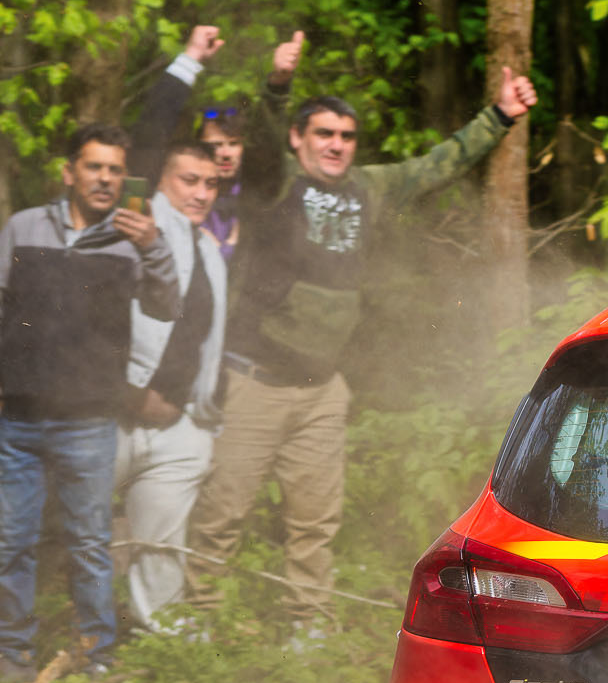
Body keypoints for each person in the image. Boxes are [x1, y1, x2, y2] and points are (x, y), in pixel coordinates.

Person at [183, 42, 540, 634]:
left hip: (322, 388)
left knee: (315, 520)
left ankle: (309, 625)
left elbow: (438, 164)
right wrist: (276, 86)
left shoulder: (369, 186)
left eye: (346, 136)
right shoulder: (276, 181)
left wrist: (500, 115)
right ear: (299, 138)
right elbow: (264, 143)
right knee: (224, 510)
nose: (336, 144)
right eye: (323, 133)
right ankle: (198, 621)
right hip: (256, 381)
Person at [0, 125, 180, 681]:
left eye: (114, 169)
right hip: (18, 418)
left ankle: (96, 656)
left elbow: (167, 305)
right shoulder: (24, 227)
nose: (105, 178)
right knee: (11, 540)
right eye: (94, 166)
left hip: (89, 420)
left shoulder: (132, 239)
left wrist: (154, 245)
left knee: (88, 543)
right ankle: (12, 654)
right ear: (69, 172)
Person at [113, 139, 229, 632]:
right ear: (160, 179)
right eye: (189, 180)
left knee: (160, 546)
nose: (201, 194)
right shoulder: (131, 226)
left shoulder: (209, 249)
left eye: (211, 184)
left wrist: (203, 418)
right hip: (110, 415)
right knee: (53, 524)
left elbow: (207, 341)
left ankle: (162, 640)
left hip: (179, 424)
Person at [131, 24, 250, 260]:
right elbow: (151, 131)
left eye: (233, 143)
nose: (225, 153)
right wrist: (191, 58)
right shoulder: (148, 201)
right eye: (214, 146)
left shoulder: (254, 195)